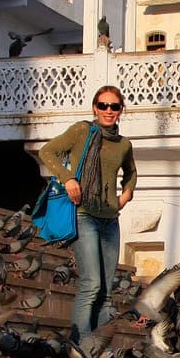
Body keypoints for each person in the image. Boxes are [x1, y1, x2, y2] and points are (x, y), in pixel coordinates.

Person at [39, 85, 137, 341]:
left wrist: (127, 193)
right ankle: (79, 342)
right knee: (91, 283)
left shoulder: (124, 144)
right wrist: (68, 178)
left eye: (114, 106)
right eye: (103, 105)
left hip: (109, 219)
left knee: (106, 291)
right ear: (95, 108)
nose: (108, 111)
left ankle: (98, 344)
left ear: (120, 111)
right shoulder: (82, 131)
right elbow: (47, 151)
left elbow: (131, 172)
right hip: (83, 214)